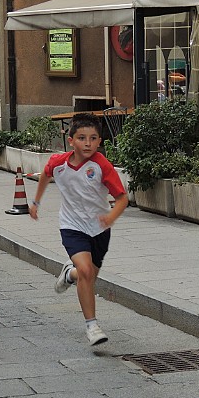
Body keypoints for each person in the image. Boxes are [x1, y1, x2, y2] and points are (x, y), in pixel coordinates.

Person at [29, 113, 129, 346]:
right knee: (85, 271)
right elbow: (45, 175)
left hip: (99, 230)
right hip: (72, 226)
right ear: (71, 140)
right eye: (82, 138)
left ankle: (68, 274)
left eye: (93, 138)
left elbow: (122, 198)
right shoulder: (58, 163)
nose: (88, 143)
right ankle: (92, 326)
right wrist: (36, 202)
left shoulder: (102, 165)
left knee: (88, 275)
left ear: (99, 142)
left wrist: (111, 216)